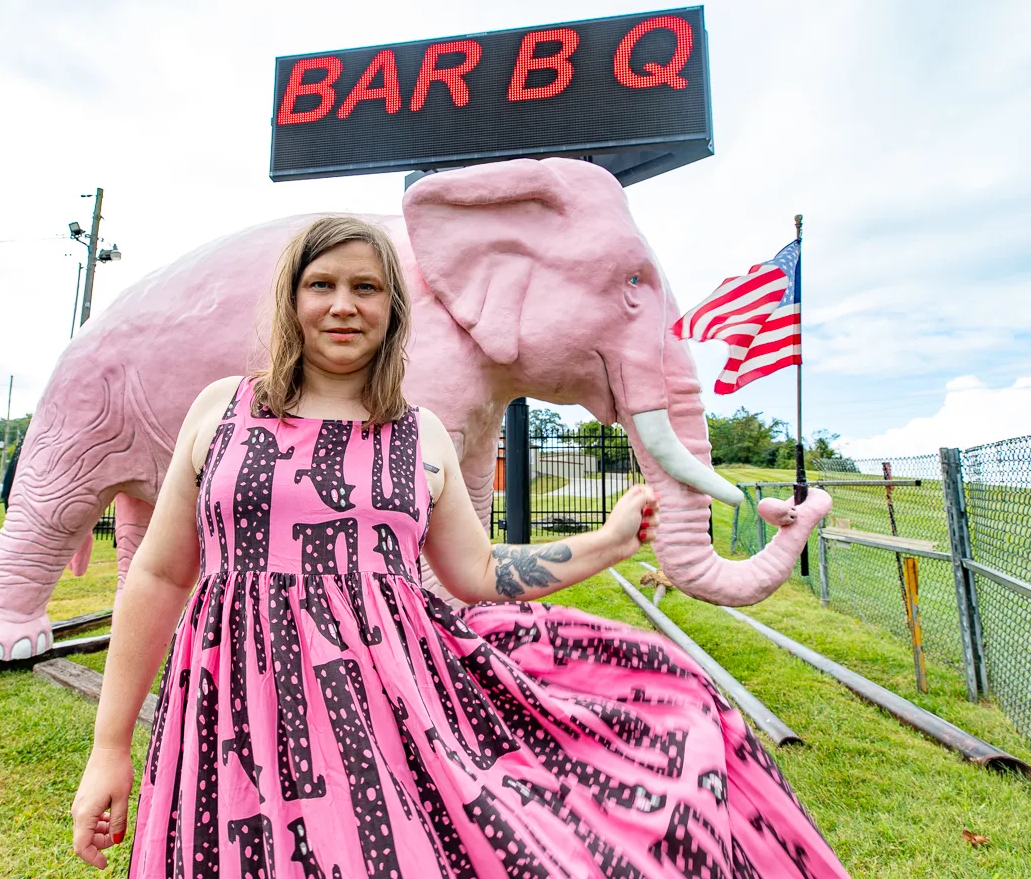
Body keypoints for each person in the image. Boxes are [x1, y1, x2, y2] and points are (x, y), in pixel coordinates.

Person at [71, 216, 849, 878]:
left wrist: (608, 542)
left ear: (392, 308)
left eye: (366, 288)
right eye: (323, 285)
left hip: (380, 716)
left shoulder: (422, 435)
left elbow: (478, 571)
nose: (343, 305)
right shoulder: (223, 411)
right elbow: (162, 572)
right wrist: (110, 745)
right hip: (229, 709)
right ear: (292, 299)